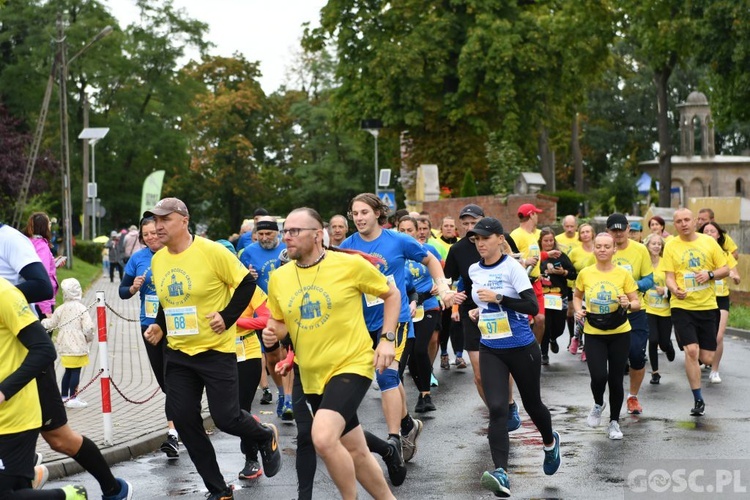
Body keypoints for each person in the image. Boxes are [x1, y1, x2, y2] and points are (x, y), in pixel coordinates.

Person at [141, 197, 281, 500]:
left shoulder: (212, 251)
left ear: (184, 220)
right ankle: (219, 490)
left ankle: (265, 434)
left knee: (227, 418)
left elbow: (245, 284)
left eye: (165, 220)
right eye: (155, 220)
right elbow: (170, 300)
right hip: (178, 355)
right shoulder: (158, 259)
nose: (158, 226)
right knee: (185, 421)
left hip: (215, 351)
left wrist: (227, 317)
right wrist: (158, 324)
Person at [263, 207, 399, 500]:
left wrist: (387, 339)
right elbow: (280, 321)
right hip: (311, 374)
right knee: (356, 449)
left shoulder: (348, 265)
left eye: (294, 231)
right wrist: (273, 332)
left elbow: (391, 294)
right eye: (285, 231)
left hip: (352, 363)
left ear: (317, 235)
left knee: (323, 438)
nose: (287, 236)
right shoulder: (279, 277)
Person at [0, 223, 133, 500]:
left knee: (59, 438)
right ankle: (26, 472)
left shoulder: (8, 238)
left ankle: (112, 489)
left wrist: (9, 300)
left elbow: (42, 285)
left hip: (25, 351)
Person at [340, 193, 455, 466]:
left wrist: (443, 286)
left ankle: (394, 440)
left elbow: (430, 260)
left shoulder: (398, 240)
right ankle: (407, 425)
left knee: (387, 376)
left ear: (378, 213)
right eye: (355, 213)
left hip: (398, 320)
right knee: (390, 377)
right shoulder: (347, 246)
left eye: (364, 212)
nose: (359, 218)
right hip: (363, 322)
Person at [464, 218, 560, 498]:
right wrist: (478, 310)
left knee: (533, 404)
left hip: (521, 347)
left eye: (484, 238)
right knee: (496, 410)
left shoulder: (512, 268)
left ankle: (549, 441)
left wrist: (499, 299)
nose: (480, 243)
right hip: (491, 347)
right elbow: (482, 302)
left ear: (498, 239)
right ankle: (501, 472)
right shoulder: (473, 269)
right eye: (475, 239)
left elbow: (531, 306)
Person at [0, 277, 92, 499]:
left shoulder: (5, 294)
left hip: (13, 418)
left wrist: (4, 390)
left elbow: (44, 349)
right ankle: (32, 476)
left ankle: (69, 496)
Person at [444, 204, 523, 432]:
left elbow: (518, 267)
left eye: (474, 223)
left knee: (501, 366)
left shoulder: (501, 239)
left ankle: (508, 406)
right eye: (466, 224)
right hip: (472, 312)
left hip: (498, 309)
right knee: (479, 374)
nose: (470, 228)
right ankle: (496, 412)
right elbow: (446, 280)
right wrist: (450, 295)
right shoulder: (457, 250)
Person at [119, 217, 180, 459]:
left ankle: (173, 434)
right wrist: (133, 288)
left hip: (175, 325)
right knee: (165, 384)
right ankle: (182, 421)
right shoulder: (138, 259)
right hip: (149, 326)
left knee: (173, 378)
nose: (151, 237)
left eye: (154, 232)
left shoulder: (175, 253)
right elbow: (122, 292)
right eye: (146, 235)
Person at [574, 232, 641, 440]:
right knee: (598, 376)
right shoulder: (585, 273)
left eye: (606, 246)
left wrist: (627, 304)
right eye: (599, 246)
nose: (602, 249)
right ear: (594, 248)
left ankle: (614, 422)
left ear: (614, 250)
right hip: (594, 332)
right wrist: (578, 310)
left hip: (620, 332)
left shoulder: (623, 274)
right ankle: (597, 403)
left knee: (615, 379)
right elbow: (577, 296)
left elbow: (637, 303)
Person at [663, 208, 728, 416]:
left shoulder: (708, 242)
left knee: (707, 358)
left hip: (707, 305)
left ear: (694, 222)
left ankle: (698, 361)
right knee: (691, 351)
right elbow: (669, 276)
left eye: (687, 220)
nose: (683, 224)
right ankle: (698, 399)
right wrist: (674, 289)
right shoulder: (671, 245)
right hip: (682, 306)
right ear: (675, 224)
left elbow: (724, 269)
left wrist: (709, 274)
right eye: (679, 221)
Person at [239, 216, 291, 419]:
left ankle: (288, 398)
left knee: (288, 353)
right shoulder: (249, 253)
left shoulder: (287, 248)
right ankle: (280, 391)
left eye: (268, 233)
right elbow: (240, 281)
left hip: (287, 309)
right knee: (271, 357)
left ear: (277, 232)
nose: (264, 237)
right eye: (260, 234)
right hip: (263, 312)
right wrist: (247, 278)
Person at [606, 213, 654, 416]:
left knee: (636, 354)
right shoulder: (603, 249)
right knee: (613, 359)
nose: (618, 234)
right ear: (608, 231)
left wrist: (631, 288)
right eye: (613, 230)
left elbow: (649, 279)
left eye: (621, 229)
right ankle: (611, 398)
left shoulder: (640, 250)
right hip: (609, 311)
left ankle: (632, 396)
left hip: (635, 309)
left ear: (628, 230)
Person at [397, 216, 441, 413]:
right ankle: (412, 394)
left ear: (417, 232)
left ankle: (426, 395)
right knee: (410, 355)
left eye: (410, 230)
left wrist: (440, 285)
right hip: (404, 308)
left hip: (428, 306)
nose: (406, 234)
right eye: (402, 230)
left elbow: (440, 272)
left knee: (420, 350)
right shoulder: (395, 254)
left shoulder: (427, 251)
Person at [698, 220, 741, 384]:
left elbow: (736, 276)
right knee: (702, 335)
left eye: (712, 231)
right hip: (702, 298)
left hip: (720, 297)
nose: (709, 234)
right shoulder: (697, 253)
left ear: (718, 235)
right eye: (706, 231)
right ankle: (703, 357)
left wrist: (735, 277)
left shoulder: (725, 254)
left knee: (719, 336)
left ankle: (714, 370)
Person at [41, 278, 94, 408]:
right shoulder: (82, 308)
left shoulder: (60, 309)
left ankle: (64, 396)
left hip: (64, 343)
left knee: (68, 371)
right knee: (76, 371)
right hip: (78, 343)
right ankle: (73, 398)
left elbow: (52, 323)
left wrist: (42, 322)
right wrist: (89, 338)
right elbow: (88, 328)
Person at [538, 228, 577, 365]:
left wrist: (563, 272)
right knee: (545, 325)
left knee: (560, 326)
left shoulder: (560, 256)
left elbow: (573, 274)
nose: (549, 243)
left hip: (559, 297)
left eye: (551, 240)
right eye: (545, 241)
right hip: (543, 297)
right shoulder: (538, 257)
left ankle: (553, 339)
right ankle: (544, 354)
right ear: (540, 242)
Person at [642, 233, 675, 385]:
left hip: (665, 309)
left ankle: (668, 346)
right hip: (648, 307)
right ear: (647, 246)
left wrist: (666, 291)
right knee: (653, 339)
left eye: (659, 244)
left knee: (662, 342)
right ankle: (655, 373)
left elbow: (675, 283)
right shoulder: (644, 263)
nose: (656, 246)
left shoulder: (667, 263)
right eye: (653, 243)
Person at [509, 203, 545, 344]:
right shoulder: (516, 234)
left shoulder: (533, 234)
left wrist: (546, 255)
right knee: (526, 322)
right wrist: (524, 261)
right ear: (531, 215)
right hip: (523, 284)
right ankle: (526, 352)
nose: (537, 216)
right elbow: (507, 257)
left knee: (540, 319)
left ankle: (536, 350)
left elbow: (535, 256)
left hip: (536, 282)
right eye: (536, 213)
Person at [24, 212, 60, 318]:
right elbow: (41, 277)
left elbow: (35, 268)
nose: (50, 225)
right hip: (42, 302)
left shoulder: (29, 242)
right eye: (48, 223)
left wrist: (53, 263)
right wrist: (46, 309)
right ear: (44, 226)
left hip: (32, 299)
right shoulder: (42, 246)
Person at [568, 223, 595, 357]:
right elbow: (569, 270)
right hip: (579, 288)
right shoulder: (574, 252)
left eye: (587, 232)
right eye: (582, 232)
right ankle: (577, 338)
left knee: (591, 317)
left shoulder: (599, 249)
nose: (585, 234)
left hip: (594, 287)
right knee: (582, 316)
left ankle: (586, 347)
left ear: (592, 234)